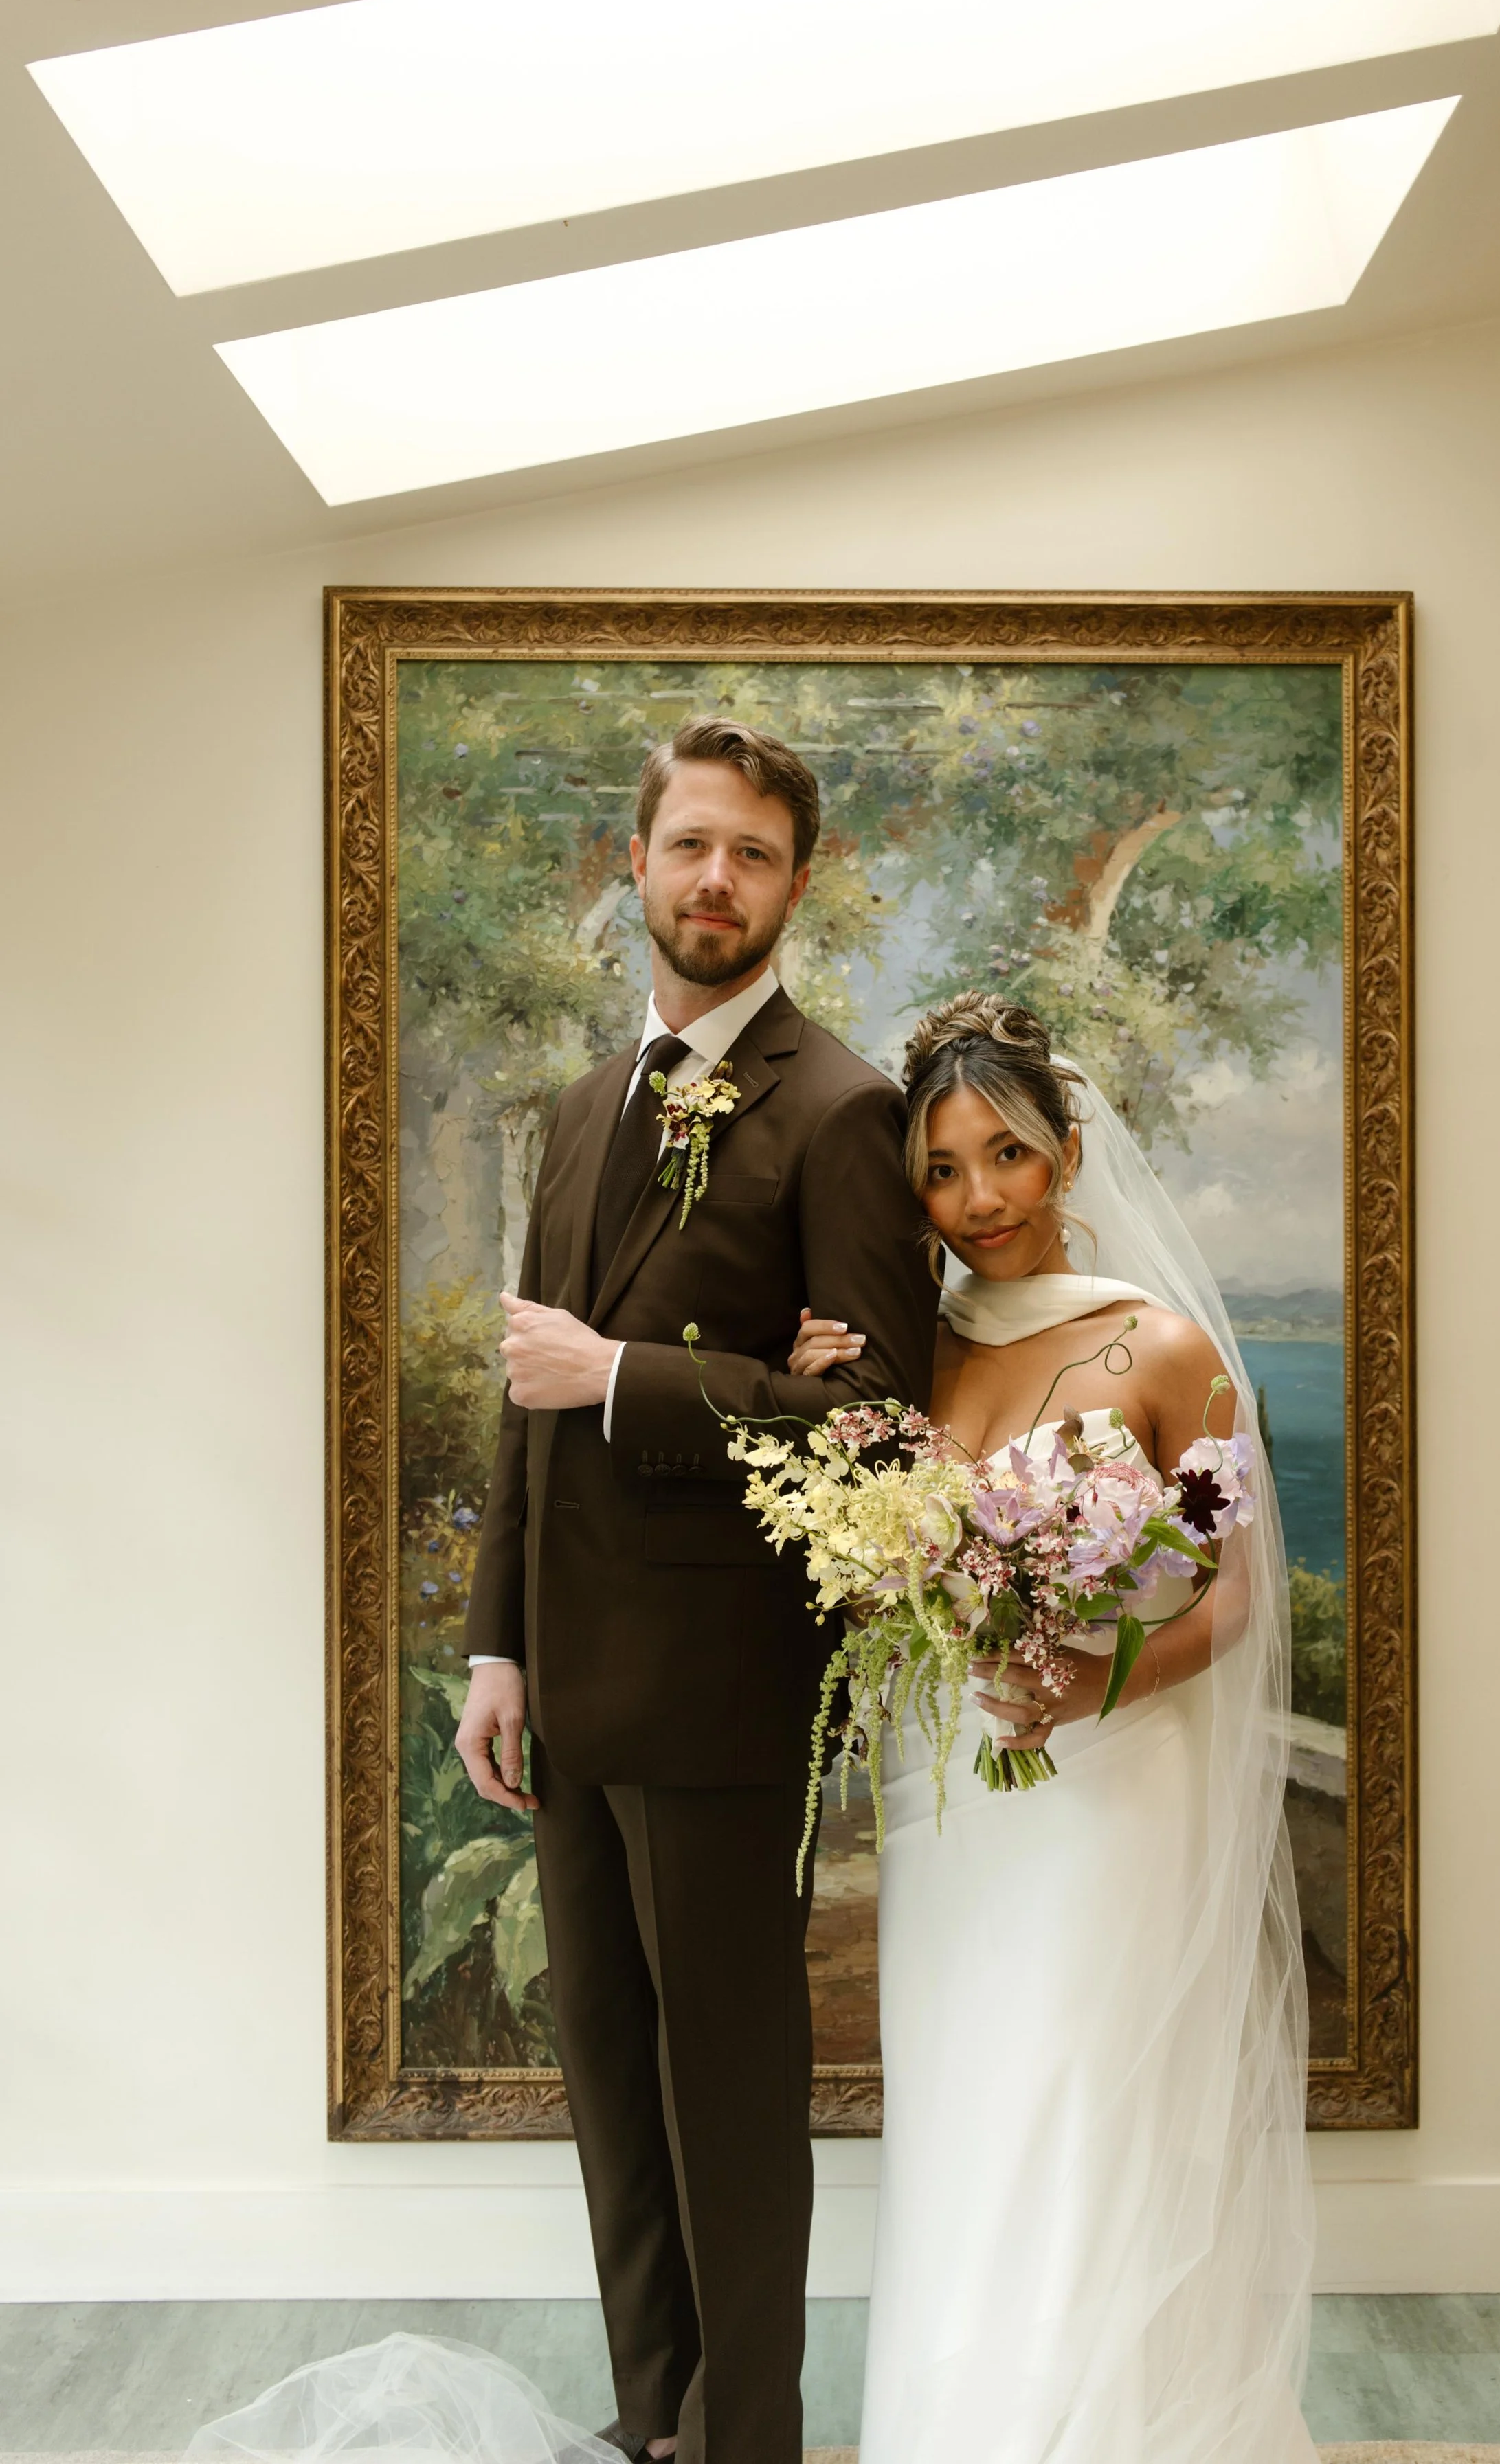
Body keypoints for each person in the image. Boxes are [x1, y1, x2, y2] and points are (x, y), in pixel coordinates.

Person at [453, 718, 939, 2464]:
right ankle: (649, 2420)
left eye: (749, 853)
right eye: (686, 848)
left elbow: (880, 1434)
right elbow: (526, 1397)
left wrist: (630, 1377)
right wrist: (495, 1645)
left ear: (794, 883)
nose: (712, 880)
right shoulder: (585, 1110)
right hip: (569, 1684)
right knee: (612, 2086)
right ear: (635, 867)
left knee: (726, 2095)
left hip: (730, 1688)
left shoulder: (841, 1110)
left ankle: (747, 2442)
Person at [789, 992, 1317, 2464]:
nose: (978, 1201)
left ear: (1067, 1153)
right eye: (943, 1171)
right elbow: (875, 1553)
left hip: (1109, 1795)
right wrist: (834, 1409)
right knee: (971, 2115)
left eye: (1006, 1155)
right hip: (958, 1802)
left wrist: (1093, 1680)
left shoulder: (1162, 1351)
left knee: (1085, 2104)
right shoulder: (917, 1349)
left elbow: (1228, 1608)